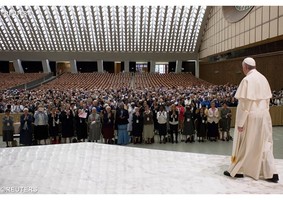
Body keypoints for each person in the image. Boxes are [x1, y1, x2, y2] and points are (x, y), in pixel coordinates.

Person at [224, 57, 279, 183]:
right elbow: (267, 100)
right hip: (264, 115)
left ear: (245, 67)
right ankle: (271, 172)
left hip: (251, 116)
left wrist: (240, 123)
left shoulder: (247, 80)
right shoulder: (263, 78)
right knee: (265, 144)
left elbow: (244, 105)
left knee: (245, 143)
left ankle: (238, 170)